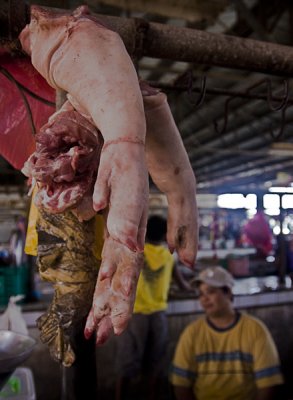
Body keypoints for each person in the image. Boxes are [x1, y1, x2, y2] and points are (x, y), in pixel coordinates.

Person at [170, 266, 284, 400]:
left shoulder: (255, 329)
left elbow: (268, 384)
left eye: (210, 292)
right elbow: (180, 383)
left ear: (228, 293)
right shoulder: (192, 333)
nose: (204, 299)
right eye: (201, 294)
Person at [115, 214, 192, 400]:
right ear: (166, 234)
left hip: (134, 315)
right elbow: (183, 286)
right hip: (158, 316)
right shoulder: (168, 256)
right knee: (155, 363)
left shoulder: (135, 252)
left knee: (128, 364)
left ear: (145, 232)